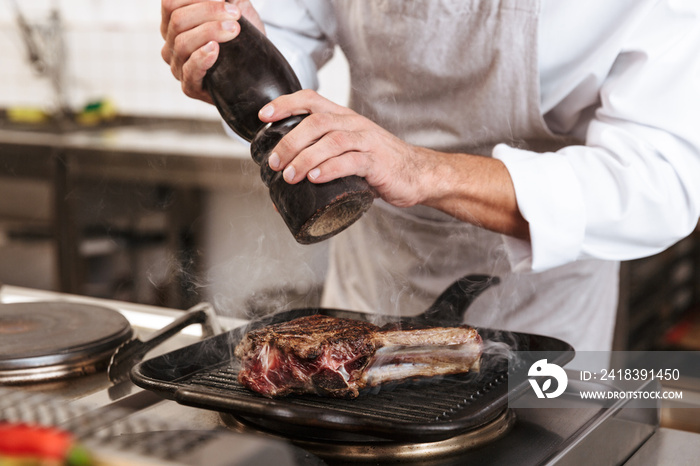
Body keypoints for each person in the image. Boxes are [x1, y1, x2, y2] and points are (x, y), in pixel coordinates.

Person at [160, 0, 700, 351]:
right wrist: (235, 50)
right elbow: (288, 36)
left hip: (542, 311)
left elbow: (660, 179)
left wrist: (423, 170)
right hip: (375, 277)